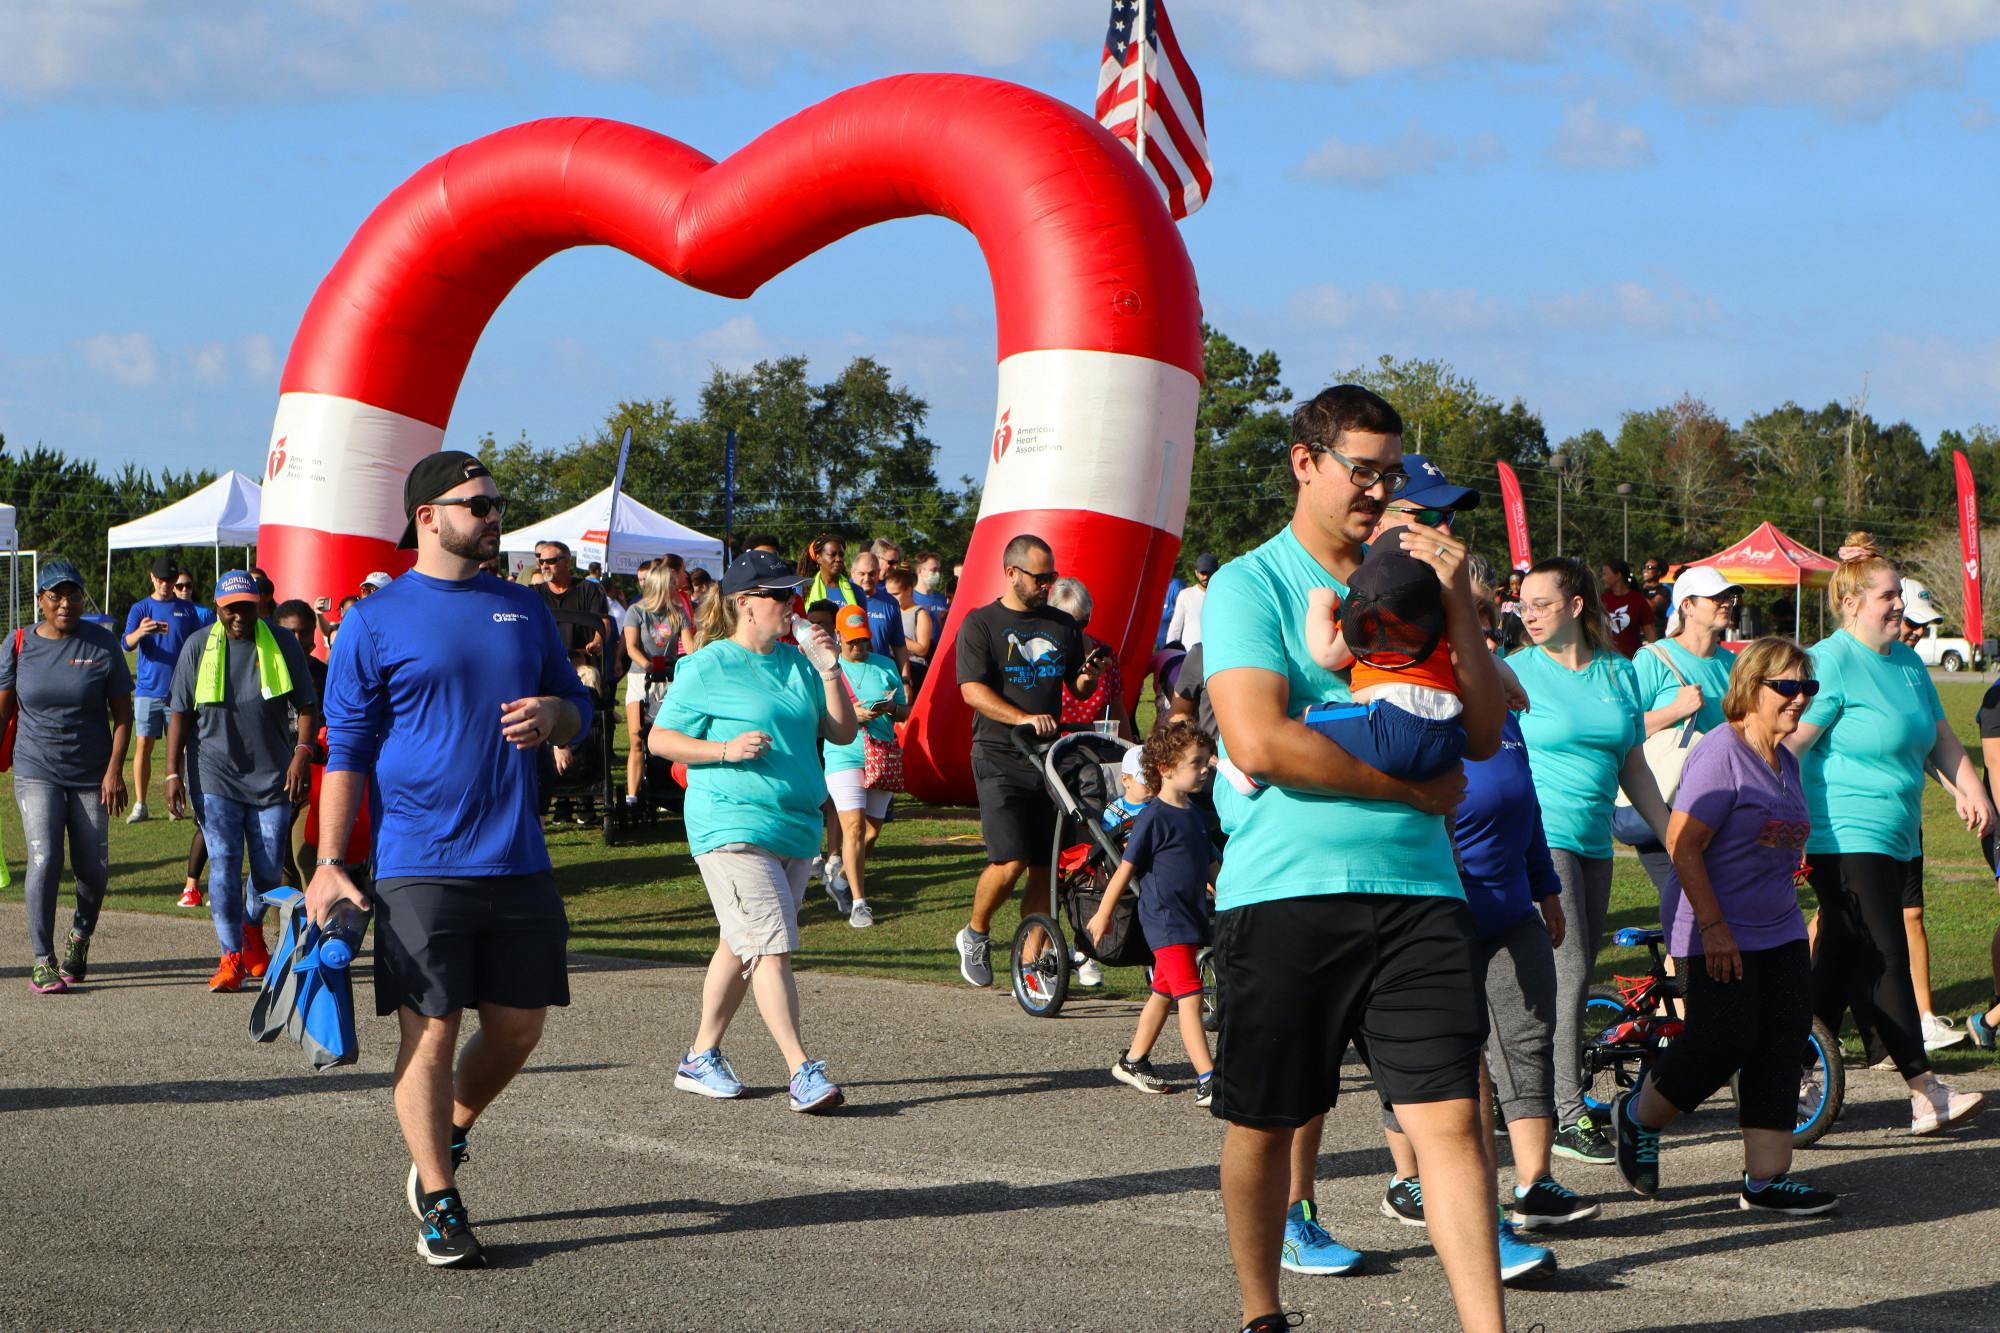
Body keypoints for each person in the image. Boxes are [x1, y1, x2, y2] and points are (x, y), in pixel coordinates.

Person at [1204, 385, 1508, 1333]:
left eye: (1391, 472)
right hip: (1286, 892)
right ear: (1306, 462)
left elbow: (1487, 733)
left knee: (1453, 1120)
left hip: (1420, 891)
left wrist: (1459, 607)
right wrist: (1411, 791)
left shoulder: (1415, 574)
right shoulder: (1252, 583)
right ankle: (1263, 1313)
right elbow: (1260, 741)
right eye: (1360, 470)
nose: (1379, 491)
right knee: (1266, 1118)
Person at [308, 449, 592, 1269]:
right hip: (417, 862)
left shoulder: (523, 609)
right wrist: (331, 859)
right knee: (432, 1030)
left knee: (517, 1028)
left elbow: (577, 707)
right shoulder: (374, 618)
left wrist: (555, 712)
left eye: (499, 501)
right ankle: (439, 1197)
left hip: (518, 857)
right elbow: (348, 750)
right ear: (428, 516)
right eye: (478, 503)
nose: (495, 514)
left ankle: (449, 1133)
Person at [1610, 638, 1837, 1217]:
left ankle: (1765, 1180)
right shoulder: (1721, 752)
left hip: (1777, 927)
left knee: (1781, 1045)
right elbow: (1684, 843)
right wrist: (1713, 926)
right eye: (1786, 687)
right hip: (1712, 926)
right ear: (1750, 689)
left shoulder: (1783, 758)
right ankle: (1637, 1116)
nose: (1799, 699)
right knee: (1722, 1041)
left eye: (1805, 688)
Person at [1786, 536, 1990, 1135]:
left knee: (1838, 960)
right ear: (1850, 602)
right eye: (1888, 596)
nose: (1899, 606)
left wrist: (1969, 788)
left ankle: (1785, 1062)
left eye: (1900, 596)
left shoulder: (1905, 663)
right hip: (1842, 832)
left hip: (1898, 830)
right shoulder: (1830, 662)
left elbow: (1939, 735)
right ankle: (1925, 1089)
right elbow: (1793, 744)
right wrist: (1784, 821)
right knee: (1886, 950)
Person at [647, 549, 857, 1112]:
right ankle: (801, 1070)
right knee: (771, 947)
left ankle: (699, 1057)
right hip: (730, 821)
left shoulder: (796, 663)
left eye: (792, 594)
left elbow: (841, 732)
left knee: (742, 944)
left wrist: (830, 667)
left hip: (794, 824)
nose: (791, 604)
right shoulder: (710, 664)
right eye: (779, 595)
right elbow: (660, 740)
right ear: (745, 604)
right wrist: (723, 750)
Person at [1510, 557, 1671, 1166]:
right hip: (1538, 837)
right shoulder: (1516, 670)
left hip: (1595, 841)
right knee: (1570, 968)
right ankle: (1566, 1112)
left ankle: (1523, 1092)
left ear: (1576, 605)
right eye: (1522, 604)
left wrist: (1672, 833)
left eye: (1541, 603)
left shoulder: (1618, 672)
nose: (1528, 614)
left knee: (1561, 973)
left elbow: (1634, 766)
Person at [165, 571, 318, 992]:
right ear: (217, 607)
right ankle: (230, 955)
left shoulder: (282, 644)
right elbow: (178, 713)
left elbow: (307, 705)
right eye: (231, 608)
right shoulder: (198, 646)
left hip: (272, 776)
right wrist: (172, 772)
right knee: (226, 859)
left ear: (260, 606)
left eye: (246, 607)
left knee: (268, 873)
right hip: (214, 773)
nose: (239, 616)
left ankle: (251, 929)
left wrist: (302, 753)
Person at [951, 533, 1092, 989]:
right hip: (998, 755)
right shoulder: (981, 623)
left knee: (1044, 868)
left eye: (1052, 577)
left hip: (1048, 762)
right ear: (1011, 572)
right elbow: (972, 691)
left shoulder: (1062, 624)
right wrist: (1023, 718)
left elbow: (1078, 686)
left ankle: (1033, 965)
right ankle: (975, 933)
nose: (1047, 585)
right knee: (1010, 861)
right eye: (1040, 577)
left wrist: (1091, 674)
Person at [1, 561, 133, 994]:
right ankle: (42, 959)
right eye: (55, 595)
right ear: (40, 599)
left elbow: (123, 716)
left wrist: (115, 771)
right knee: (44, 856)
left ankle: (79, 938)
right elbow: (3, 708)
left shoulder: (102, 644)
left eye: (72, 594)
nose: (65, 603)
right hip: (36, 768)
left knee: (93, 868)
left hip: (92, 773)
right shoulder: (19, 643)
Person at [1090, 721, 1218, 1105]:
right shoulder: (1153, 817)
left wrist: (1231, 893)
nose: (1205, 769)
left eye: (1206, 762)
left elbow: (1210, 865)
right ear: (1165, 768)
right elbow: (1125, 869)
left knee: (1163, 992)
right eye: (1196, 763)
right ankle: (1209, 1079)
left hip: (1190, 916)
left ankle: (1133, 1060)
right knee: (1190, 998)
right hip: (1165, 920)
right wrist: (1104, 913)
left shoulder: (1194, 814)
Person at [1628, 566, 1742, 895]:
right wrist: (1676, 711)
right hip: (1664, 803)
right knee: (1688, 907)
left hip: (1721, 805)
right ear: (1687, 606)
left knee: (1719, 908)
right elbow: (1624, 729)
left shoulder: (1735, 665)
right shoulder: (1654, 659)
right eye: (1715, 597)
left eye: (1728, 597)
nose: (1726, 603)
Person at [821, 603, 907, 929]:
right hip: (843, 754)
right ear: (838, 636)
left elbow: (905, 712)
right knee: (854, 828)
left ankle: (841, 878)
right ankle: (859, 902)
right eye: (853, 641)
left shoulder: (884, 664)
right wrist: (851, 716)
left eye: (864, 641)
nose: (859, 647)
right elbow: (818, 715)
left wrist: (889, 708)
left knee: (871, 832)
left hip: (881, 752)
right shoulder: (829, 670)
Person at [123, 553, 208, 823]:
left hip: (179, 692)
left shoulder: (188, 610)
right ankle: (140, 803)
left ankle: (177, 803)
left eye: (171, 580)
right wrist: (141, 632)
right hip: (148, 690)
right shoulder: (141, 608)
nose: (167, 585)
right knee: (143, 746)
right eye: (161, 580)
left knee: (180, 747)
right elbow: (125, 644)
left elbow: (200, 642)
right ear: (152, 578)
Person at [621, 563, 695, 810]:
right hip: (641, 679)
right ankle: (632, 794)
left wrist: (695, 662)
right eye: (674, 584)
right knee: (637, 739)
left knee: (671, 736)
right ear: (663, 585)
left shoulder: (678, 612)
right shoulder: (636, 611)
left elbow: (689, 645)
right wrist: (647, 665)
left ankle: (674, 788)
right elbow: (631, 646)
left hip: (670, 680)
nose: (678, 587)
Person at [273, 599, 330, 891]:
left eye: (304, 632)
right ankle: (285, 934)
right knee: (277, 868)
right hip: (270, 786)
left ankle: (316, 930)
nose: (297, 640)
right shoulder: (260, 673)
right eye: (289, 633)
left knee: (305, 856)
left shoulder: (326, 675)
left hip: (313, 784)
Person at [1049, 577, 1127, 735]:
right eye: (1070, 625)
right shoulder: (1044, 654)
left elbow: (1117, 709)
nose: (1077, 631)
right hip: (1052, 750)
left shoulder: (1105, 652)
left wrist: (1129, 750)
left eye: (1083, 623)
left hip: (1097, 749)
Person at [848, 550, 911, 690]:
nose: (867, 578)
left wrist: (906, 681)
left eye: (871, 573)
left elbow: (899, 646)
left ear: (878, 573)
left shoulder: (890, 603)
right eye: (862, 574)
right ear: (852, 573)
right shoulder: (844, 598)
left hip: (879, 677)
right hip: (848, 676)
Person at [884, 567, 936, 696]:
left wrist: (898, 638)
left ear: (908, 590)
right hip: (891, 665)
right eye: (888, 594)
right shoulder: (889, 611)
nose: (891, 598)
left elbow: (923, 649)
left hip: (914, 668)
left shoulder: (920, 614)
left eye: (896, 594)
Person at [1598, 560, 1657, 658]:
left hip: (1632, 659)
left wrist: (1655, 657)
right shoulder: (1602, 599)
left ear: (1618, 575)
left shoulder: (1638, 599)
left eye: (1605, 574)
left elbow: (1649, 631)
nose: (1602, 578)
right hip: (1607, 659)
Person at [1166, 553, 1216, 648]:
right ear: (1196, 573)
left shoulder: (1222, 595)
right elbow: (1175, 628)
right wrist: (1170, 653)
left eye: (1209, 573)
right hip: (1189, 655)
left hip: (1214, 656)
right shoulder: (1185, 595)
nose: (1205, 577)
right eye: (1202, 573)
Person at [1103, 747, 1152, 832]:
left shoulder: (1160, 803)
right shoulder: (1113, 812)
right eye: (1146, 782)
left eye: (1156, 780)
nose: (1153, 785)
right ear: (1125, 780)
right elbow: (1111, 842)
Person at [802, 534, 859, 607]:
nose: (838, 559)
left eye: (841, 555)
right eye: (832, 555)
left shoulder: (856, 590)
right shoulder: (804, 590)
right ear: (818, 558)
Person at [1638, 558, 1671, 624]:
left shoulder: (1663, 590)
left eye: (1650, 567)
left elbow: (1653, 607)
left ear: (1659, 572)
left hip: (1656, 630)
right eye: (1644, 567)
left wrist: (1636, 593)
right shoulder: (1638, 587)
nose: (1645, 570)